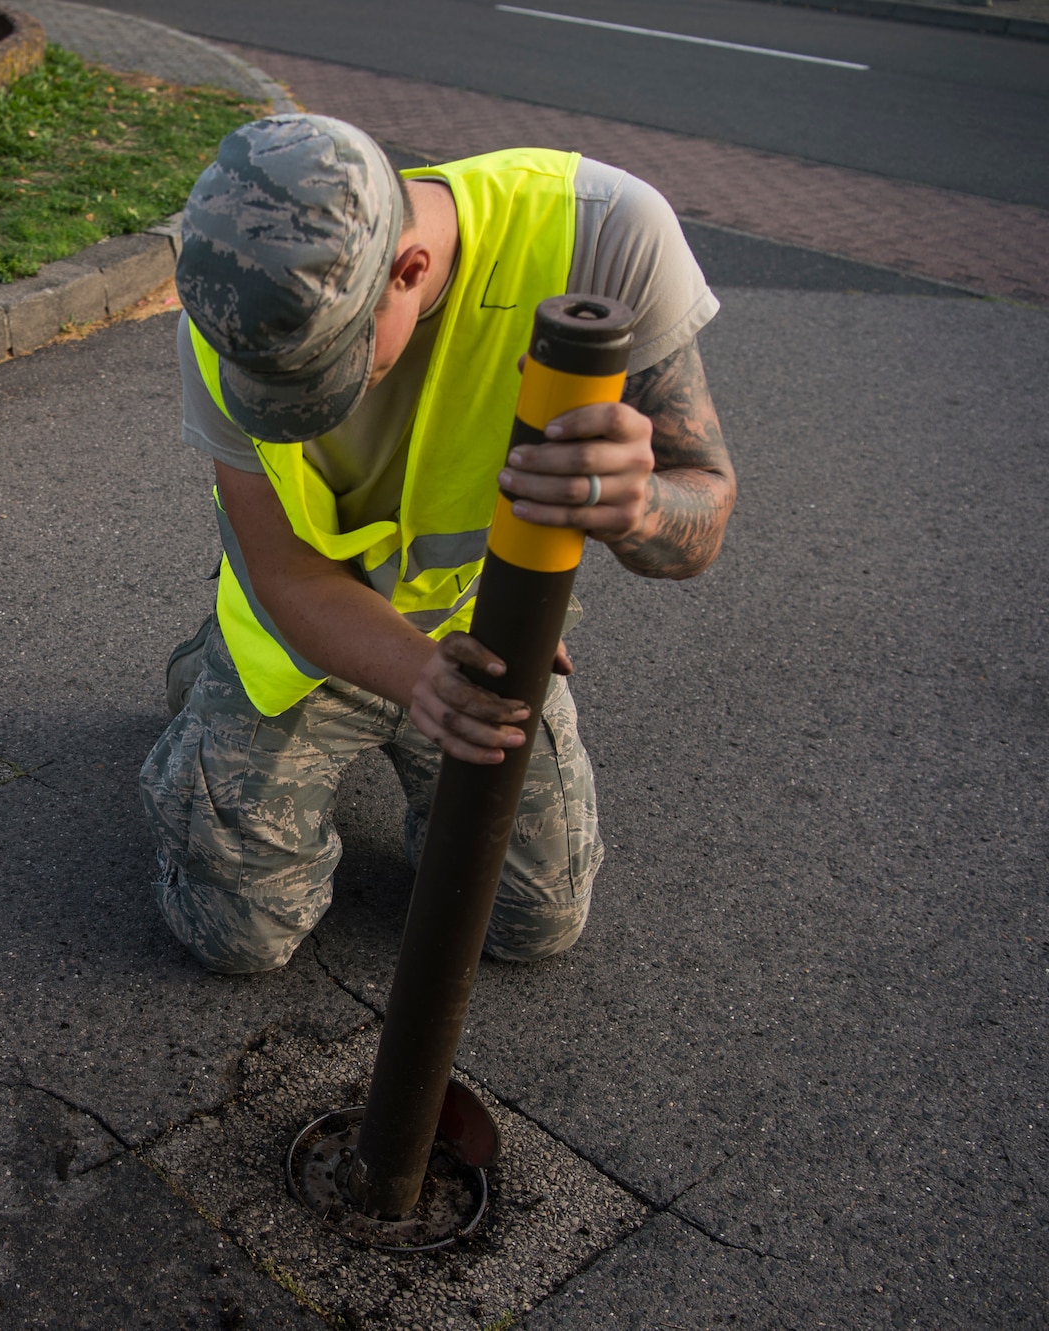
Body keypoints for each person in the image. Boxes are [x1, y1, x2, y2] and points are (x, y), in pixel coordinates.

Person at [140, 114, 737, 975]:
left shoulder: (603, 235)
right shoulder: (238, 311)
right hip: (303, 629)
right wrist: (419, 678)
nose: (301, 407)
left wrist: (636, 506)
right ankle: (212, 675)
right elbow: (280, 567)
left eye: (323, 378)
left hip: (479, 632)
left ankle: (230, 693)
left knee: (535, 924)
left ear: (409, 270)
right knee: (236, 935)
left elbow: (702, 519)